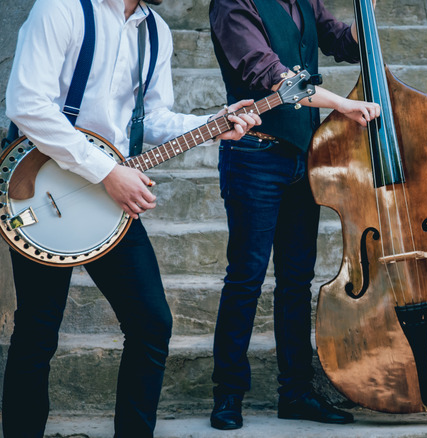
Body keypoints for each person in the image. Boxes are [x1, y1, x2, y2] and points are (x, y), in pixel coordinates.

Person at [2, 0, 260, 436]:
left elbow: (153, 116)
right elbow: (27, 104)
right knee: (37, 330)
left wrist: (211, 123)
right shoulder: (61, 8)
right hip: (40, 187)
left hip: (108, 197)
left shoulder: (155, 30)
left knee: (151, 324)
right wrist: (106, 171)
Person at [208, 0, 380, 430]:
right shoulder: (232, 5)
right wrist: (341, 104)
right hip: (253, 155)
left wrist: (366, 15)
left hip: (304, 157)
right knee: (246, 278)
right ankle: (227, 395)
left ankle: (296, 393)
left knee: (296, 281)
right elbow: (273, 77)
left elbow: (343, 41)